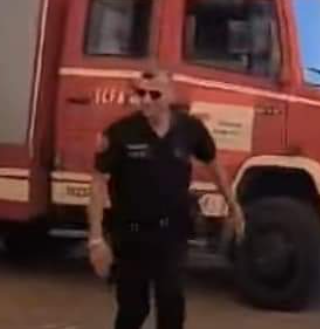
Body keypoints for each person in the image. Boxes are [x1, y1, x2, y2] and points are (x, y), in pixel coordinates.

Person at [87, 70, 244, 329]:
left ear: (170, 95)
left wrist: (233, 205)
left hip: (171, 234)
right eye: (141, 93)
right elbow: (97, 182)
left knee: (171, 304)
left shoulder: (190, 130)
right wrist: (95, 240)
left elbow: (214, 164)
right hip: (131, 236)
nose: (146, 100)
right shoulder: (120, 133)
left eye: (154, 94)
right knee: (133, 310)